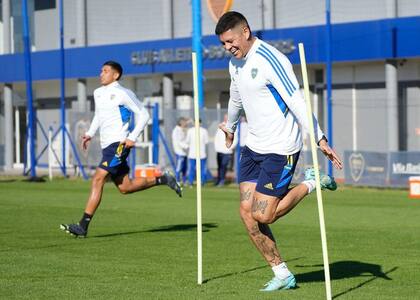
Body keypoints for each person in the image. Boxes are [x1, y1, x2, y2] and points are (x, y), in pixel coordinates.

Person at [215, 12, 343, 291]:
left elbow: (297, 102)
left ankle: (312, 181)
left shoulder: (271, 59)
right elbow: (236, 97)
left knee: (264, 215)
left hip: (281, 147)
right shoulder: (234, 63)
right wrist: (232, 126)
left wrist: (319, 138)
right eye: (224, 44)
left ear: (245, 32)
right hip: (253, 147)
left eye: (230, 41)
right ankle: (282, 273)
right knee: (247, 213)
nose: (228, 47)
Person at [60, 61, 182, 238]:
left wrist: (132, 137)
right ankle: (163, 179)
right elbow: (99, 116)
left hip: (119, 144)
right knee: (126, 187)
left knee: (97, 179)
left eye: (105, 71)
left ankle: (83, 226)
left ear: (115, 75)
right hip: (107, 145)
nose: (101, 73)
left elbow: (144, 114)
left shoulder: (123, 93)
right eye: (101, 70)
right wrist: (89, 133)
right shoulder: (98, 93)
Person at [182, 119, 209, 186]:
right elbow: (187, 141)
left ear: (200, 123)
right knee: (191, 169)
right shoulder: (190, 131)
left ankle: (202, 182)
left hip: (202, 154)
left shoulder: (204, 131)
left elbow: (206, 142)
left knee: (202, 169)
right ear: (193, 123)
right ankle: (190, 182)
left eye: (198, 122)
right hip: (192, 154)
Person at [214, 114, 237, 186]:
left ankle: (222, 180)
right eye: (225, 118)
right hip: (219, 150)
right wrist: (217, 147)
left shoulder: (232, 127)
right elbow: (217, 138)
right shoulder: (220, 126)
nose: (226, 119)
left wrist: (230, 147)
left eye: (227, 118)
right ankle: (218, 180)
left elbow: (235, 139)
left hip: (227, 151)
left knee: (224, 166)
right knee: (219, 166)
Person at [172, 117, 189, 184]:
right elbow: (179, 142)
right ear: (181, 123)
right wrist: (187, 146)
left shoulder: (182, 129)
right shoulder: (177, 130)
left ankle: (184, 181)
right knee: (179, 168)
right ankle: (177, 181)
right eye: (184, 122)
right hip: (179, 152)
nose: (186, 124)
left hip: (184, 152)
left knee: (184, 168)